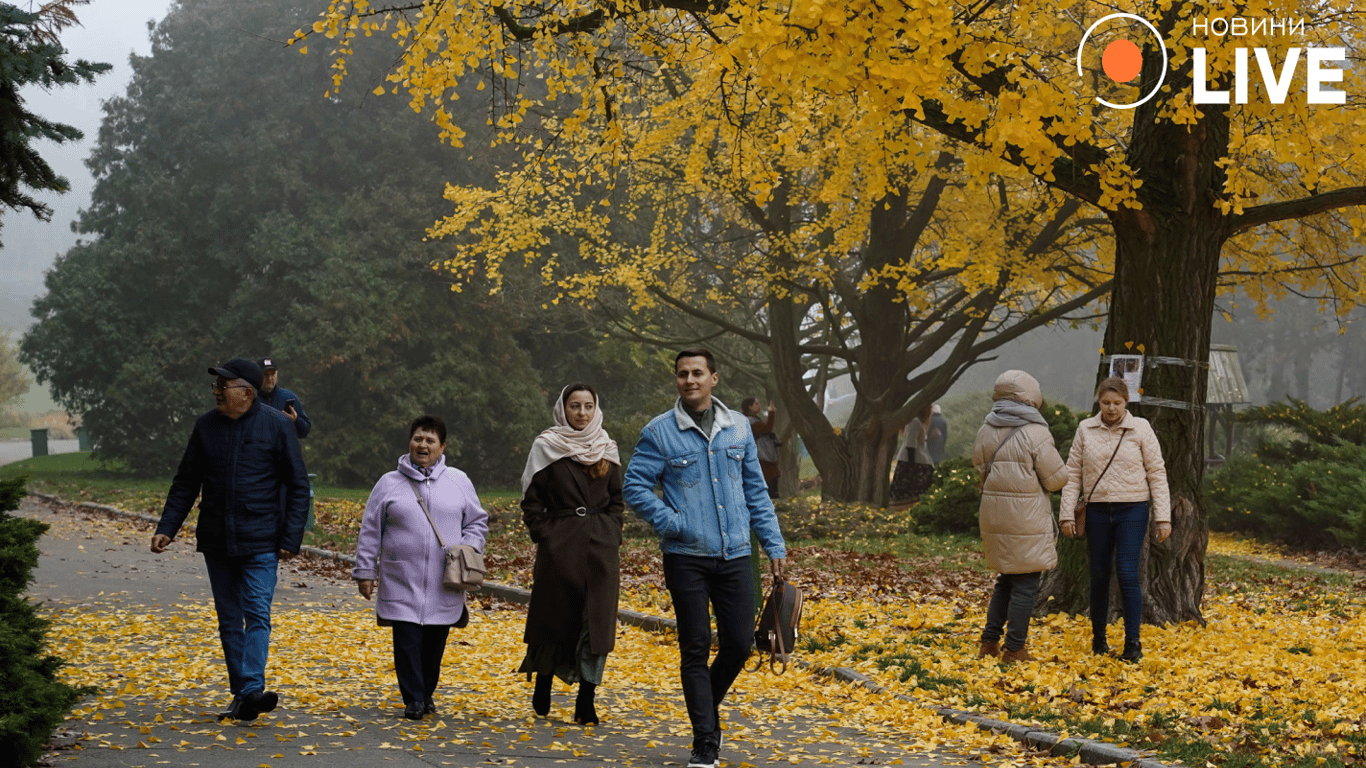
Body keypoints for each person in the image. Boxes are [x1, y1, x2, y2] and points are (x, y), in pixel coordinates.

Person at [623, 348, 787, 768]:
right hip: (686, 556)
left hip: (736, 554)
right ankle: (705, 742)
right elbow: (635, 487)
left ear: (714, 378)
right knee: (694, 646)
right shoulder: (659, 432)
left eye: (698, 373)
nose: (689, 380)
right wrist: (671, 522)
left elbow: (756, 492)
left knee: (738, 643)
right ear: (676, 380)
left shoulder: (738, 429)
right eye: (682, 374)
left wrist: (774, 546)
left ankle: (704, 711)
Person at [152, 358, 310, 722]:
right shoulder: (206, 426)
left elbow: (298, 485)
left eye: (224, 385)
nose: (217, 392)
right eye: (217, 386)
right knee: (228, 621)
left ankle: (251, 687)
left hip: (262, 540)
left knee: (257, 613)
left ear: (247, 393)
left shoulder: (276, 427)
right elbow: (186, 481)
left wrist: (291, 537)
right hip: (217, 540)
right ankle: (246, 695)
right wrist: (167, 527)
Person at [353, 415, 489, 719]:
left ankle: (426, 691)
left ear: (442, 447)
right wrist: (365, 571)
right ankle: (413, 698)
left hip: (445, 580)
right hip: (401, 578)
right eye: (417, 438)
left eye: (430, 440)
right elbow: (370, 530)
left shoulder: (458, 481)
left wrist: (469, 547)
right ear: (409, 443)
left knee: (434, 645)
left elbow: (477, 522)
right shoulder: (389, 483)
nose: (422, 445)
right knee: (407, 640)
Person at [518, 383, 623, 725]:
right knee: (555, 618)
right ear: (563, 409)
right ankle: (544, 680)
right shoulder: (547, 446)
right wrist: (545, 534)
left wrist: (610, 533)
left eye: (588, 406)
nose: (581, 413)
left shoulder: (606, 447)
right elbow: (531, 500)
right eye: (575, 406)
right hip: (559, 547)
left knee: (595, 625)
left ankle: (586, 699)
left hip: (600, 549)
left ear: (596, 409)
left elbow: (617, 501)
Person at [1059, 376, 1171, 663]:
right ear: (1098, 401)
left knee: (1127, 573)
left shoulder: (1141, 428)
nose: (1111, 408)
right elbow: (1072, 473)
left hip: (1132, 508)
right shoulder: (1085, 428)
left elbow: (1157, 472)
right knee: (1098, 575)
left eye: (1117, 403)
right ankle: (1098, 639)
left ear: (1126, 402)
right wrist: (1066, 514)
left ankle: (1133, 643)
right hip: (1097, 509)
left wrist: (1163, 518)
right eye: (1106, 403)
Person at [972, 371, 1069, 662]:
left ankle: (988, 642)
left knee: (1005, 579)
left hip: (994, 514)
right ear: (1030, 397)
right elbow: (1055, 480)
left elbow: (978, 468)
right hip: (1025, 517)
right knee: (1026, 584)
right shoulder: (1036, 431)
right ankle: (1014, 648)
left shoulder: (985, 428)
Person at [889, 403, 935, 507]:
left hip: (916, 459)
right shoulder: (914, 422)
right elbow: (910, 444)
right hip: (913, 460)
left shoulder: (916, 422)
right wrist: (911, 465)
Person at [257, 358, 311, 439]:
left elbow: (305, 432)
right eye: (266, 374)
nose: (270, 378)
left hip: (284, 450)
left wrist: (295, 420)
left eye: (273, 374)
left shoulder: (289, 397)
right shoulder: (249, 399)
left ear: (277, 375)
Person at [741, 397, 781, 497]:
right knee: (769, 482)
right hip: (761, 456)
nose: (759, 405)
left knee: (771, 480)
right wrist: (771, 413)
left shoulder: (753, 419)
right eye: (756, 404)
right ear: (750, 407)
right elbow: (766, 428)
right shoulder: (749, 421)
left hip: (764, 455)